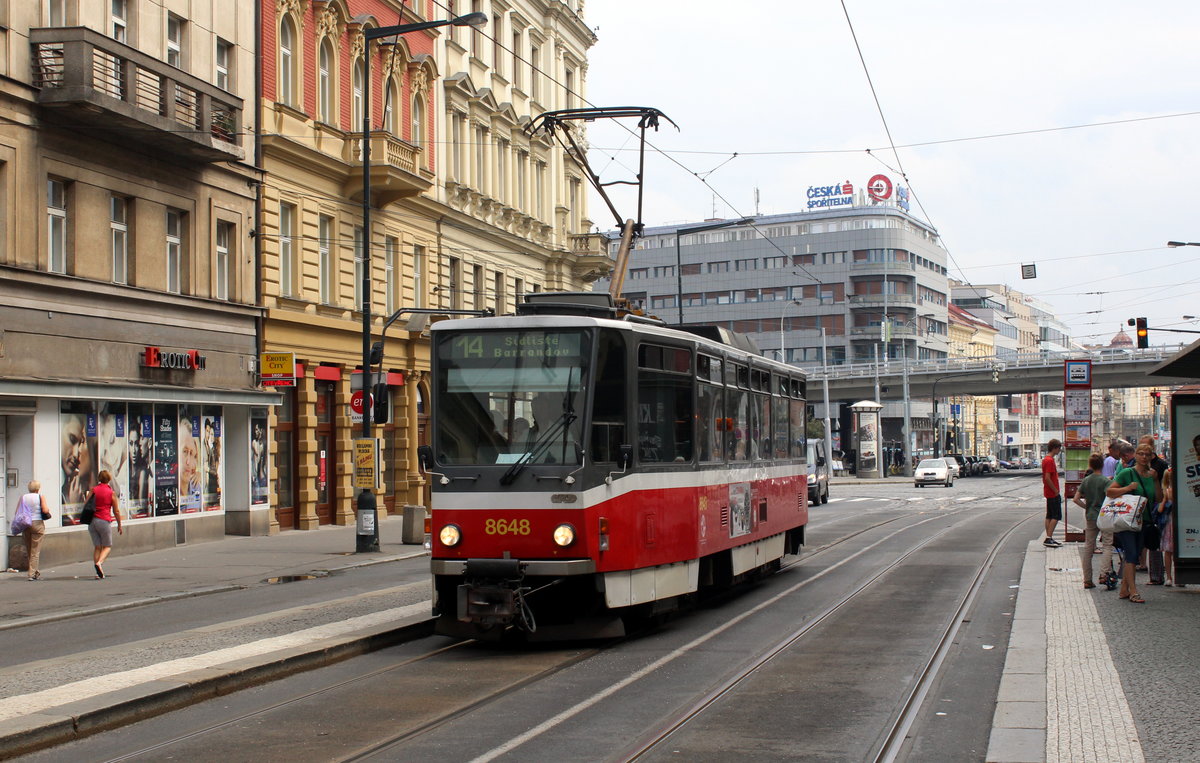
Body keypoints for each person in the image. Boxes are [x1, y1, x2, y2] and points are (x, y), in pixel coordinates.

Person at [1106, 443, 1161, 604]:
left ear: (1152, 456)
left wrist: (1156, 480)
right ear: (1135, 455)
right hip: (1127, 521)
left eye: (1147, 454)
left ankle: (1124, 589)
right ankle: (1134, 591)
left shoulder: (1152, 475)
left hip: (1144, 521)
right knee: (1131, 554)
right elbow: (1109, 491)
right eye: (1141, 454)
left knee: (1135, 554)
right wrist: (1128, 488)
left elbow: (1157, 498)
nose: (1144, 457)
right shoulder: (1127, 473)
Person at [1073, 454, 1110, 589]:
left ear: (1090, 465)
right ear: (1102, 464)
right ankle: (1104, 574)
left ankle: (1087, 579)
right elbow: (1111, 495)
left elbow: (1076, 499)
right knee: (1107, 545)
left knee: (1089, 547)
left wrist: (1086, 506)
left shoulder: (1086, 480)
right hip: (1104, 516)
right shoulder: (1105, 481)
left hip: (1090, 516)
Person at [86, 469, 123, 579]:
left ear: (99, 479)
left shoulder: (93, 490)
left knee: (97, 547)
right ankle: (99, 563)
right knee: (107, 546)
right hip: (104, 520)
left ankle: (98, 572)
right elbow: (116, 511)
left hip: (92, 521)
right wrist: (119, 525)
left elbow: (86, 503)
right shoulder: (111, 493)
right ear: (109, 479)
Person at [17, 481, 52, 581]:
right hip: (37, 524)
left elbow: (18, 511)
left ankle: (35, 571)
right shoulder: (40, 496)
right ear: (38, 489)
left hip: (25, 524)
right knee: (35, 551)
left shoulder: (23, 497)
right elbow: (45, 510)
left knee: (29, 548)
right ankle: (31, 573)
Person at [1042, 439, 1064, 548]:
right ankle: (1048, 538)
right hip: (1052, 492)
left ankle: (1048, 536)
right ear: (1055, 448)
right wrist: (1055, 490)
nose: (1060, 450)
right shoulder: (1050, 460)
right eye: (1059, 448)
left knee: (1049, 515)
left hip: (1048, 491)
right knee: (1056, 515)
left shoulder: (1045, 459)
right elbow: (1047, 478)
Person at [1161, 466, 1179, 587]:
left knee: (1168, 551)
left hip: (1169, 523)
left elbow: (1161, 508)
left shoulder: (1166, 490)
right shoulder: (1175, 490)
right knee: (1178, 550)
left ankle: (1169, 577)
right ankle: (1178, 576)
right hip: (1177, 522)